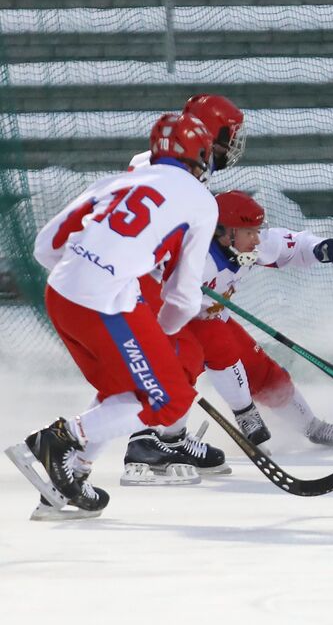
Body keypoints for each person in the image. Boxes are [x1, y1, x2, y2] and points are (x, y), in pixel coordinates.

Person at [3, 112, 219, 519]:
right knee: (170, 401)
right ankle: (59, 439)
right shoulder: (201, 200)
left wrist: (88, 268)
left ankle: (66, 483)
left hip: (61, 294)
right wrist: (160, 337)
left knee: (120, 389)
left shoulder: (116, 181)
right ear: (201, 157)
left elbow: (46, 246)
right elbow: (185, 295)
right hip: (106, 302)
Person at [120, 92, 248, 480]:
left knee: (185, 351)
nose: (232, 146)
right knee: (179, 350)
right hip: (136, 276)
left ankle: (168, 435)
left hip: (143, 273)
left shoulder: (174, 163)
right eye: (228, 135)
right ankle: (149, 439)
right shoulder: (166, 166)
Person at [176, 189, 333, 451]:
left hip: (214, 320)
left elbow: (289, 245)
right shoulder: (195, 256)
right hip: (176, 326)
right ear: (223, 234)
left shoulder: (250, 243)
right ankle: (165, 439)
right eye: (248, 232)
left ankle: (311, 427)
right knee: (174, 379)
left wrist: (320, 249)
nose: (256, 239)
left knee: (264, 373)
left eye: (256, 231)